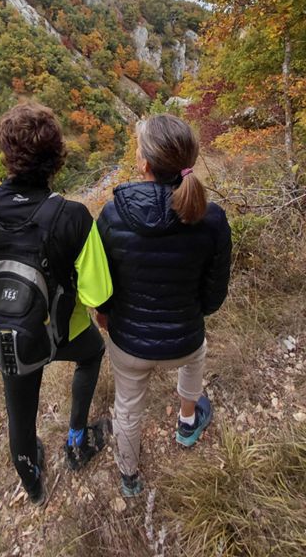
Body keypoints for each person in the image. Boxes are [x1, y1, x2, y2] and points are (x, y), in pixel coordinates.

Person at [0, 102, 113, 505]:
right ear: (57, 157)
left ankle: (33, 481)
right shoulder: (73, 217)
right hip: (62, 335)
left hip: (10, 337)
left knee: (19, 415)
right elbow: (97, 295)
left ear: (7, 155)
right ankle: (77, 439)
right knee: (93, 353)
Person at [97, 114, 231, 497]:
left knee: (127, 406)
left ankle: (129, 476)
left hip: (129, 343)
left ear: (144, 163)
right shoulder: (212, 219)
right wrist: (188, 317)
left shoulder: (111, 215)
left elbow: (102, 287)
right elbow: (214, 297)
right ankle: (187, 423)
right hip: (185, 339)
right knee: (195, 356)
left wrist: (107, 317)